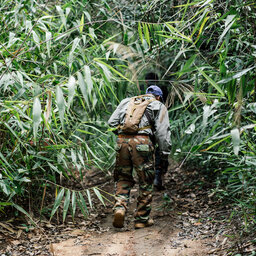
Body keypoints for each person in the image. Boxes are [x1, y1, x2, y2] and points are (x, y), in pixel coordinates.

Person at [108, 85, 171, 229]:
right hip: (143, 143)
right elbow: (162, 133)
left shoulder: (127, 102)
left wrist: (124, 138)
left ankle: (120, 208)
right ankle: (141, 219)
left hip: (122, 142)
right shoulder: (158, 105)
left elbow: (111, 123)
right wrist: (164, 154)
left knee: (123, 177)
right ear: (159, 97)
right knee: (145, 180)